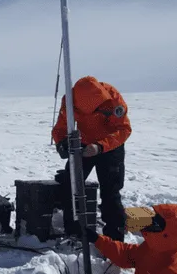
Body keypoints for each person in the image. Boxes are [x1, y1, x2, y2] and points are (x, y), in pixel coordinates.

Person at [51, 75, 131, 242]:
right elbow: (60, 128)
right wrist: (62, 144)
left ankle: (114, 239)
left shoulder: (113, 100)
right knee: (70, 186)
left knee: (111, 192)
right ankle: (73, 232)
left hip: (110, 146)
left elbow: (123, 129)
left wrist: (100, 146)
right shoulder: (70, 100)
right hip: (83, 145)